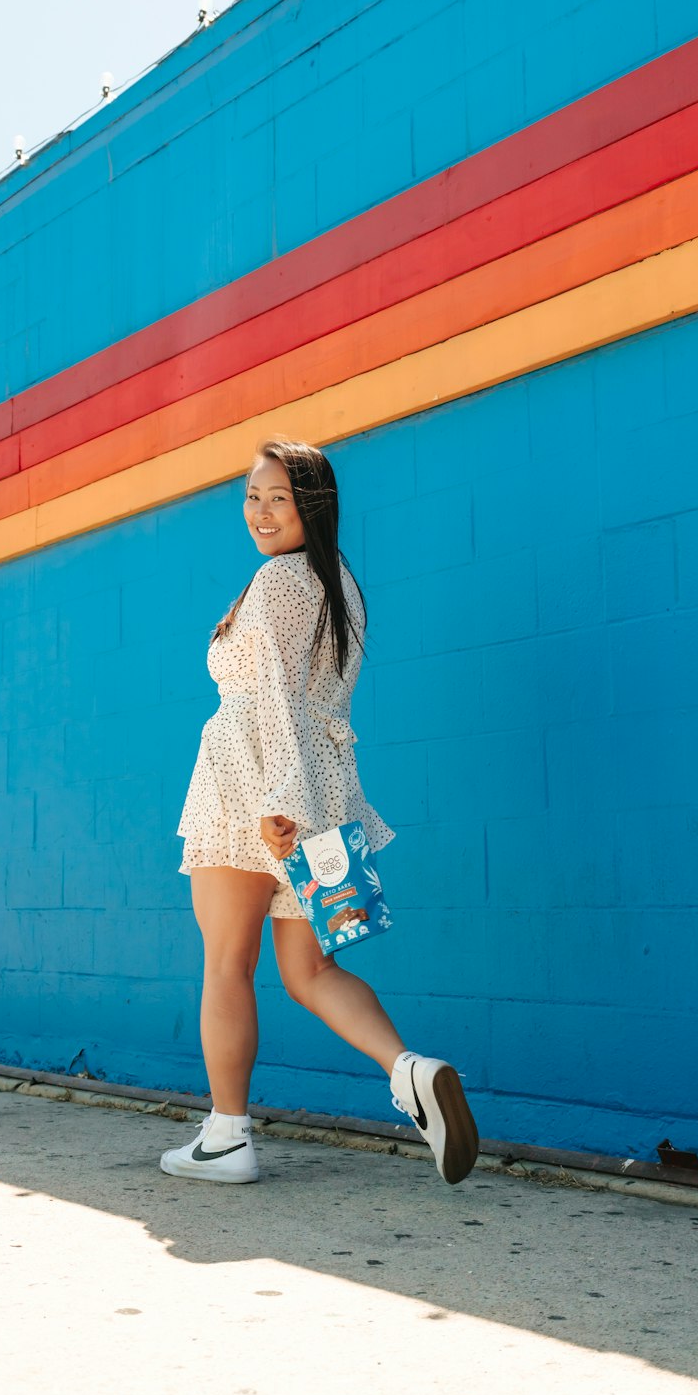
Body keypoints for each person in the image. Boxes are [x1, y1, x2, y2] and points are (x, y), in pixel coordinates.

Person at [165, 436, 478, 1186]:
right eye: (252, 497)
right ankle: (408, 1071)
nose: (262, 512)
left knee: (227, 962)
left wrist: (278, 801)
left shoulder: (278, 582)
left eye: (279, 497)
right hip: (322, 780)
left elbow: (272, 694)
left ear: (314, 505)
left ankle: (228, 1136)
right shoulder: (340, 582)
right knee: (308, 969)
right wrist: (304, 799)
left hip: (256, 783)